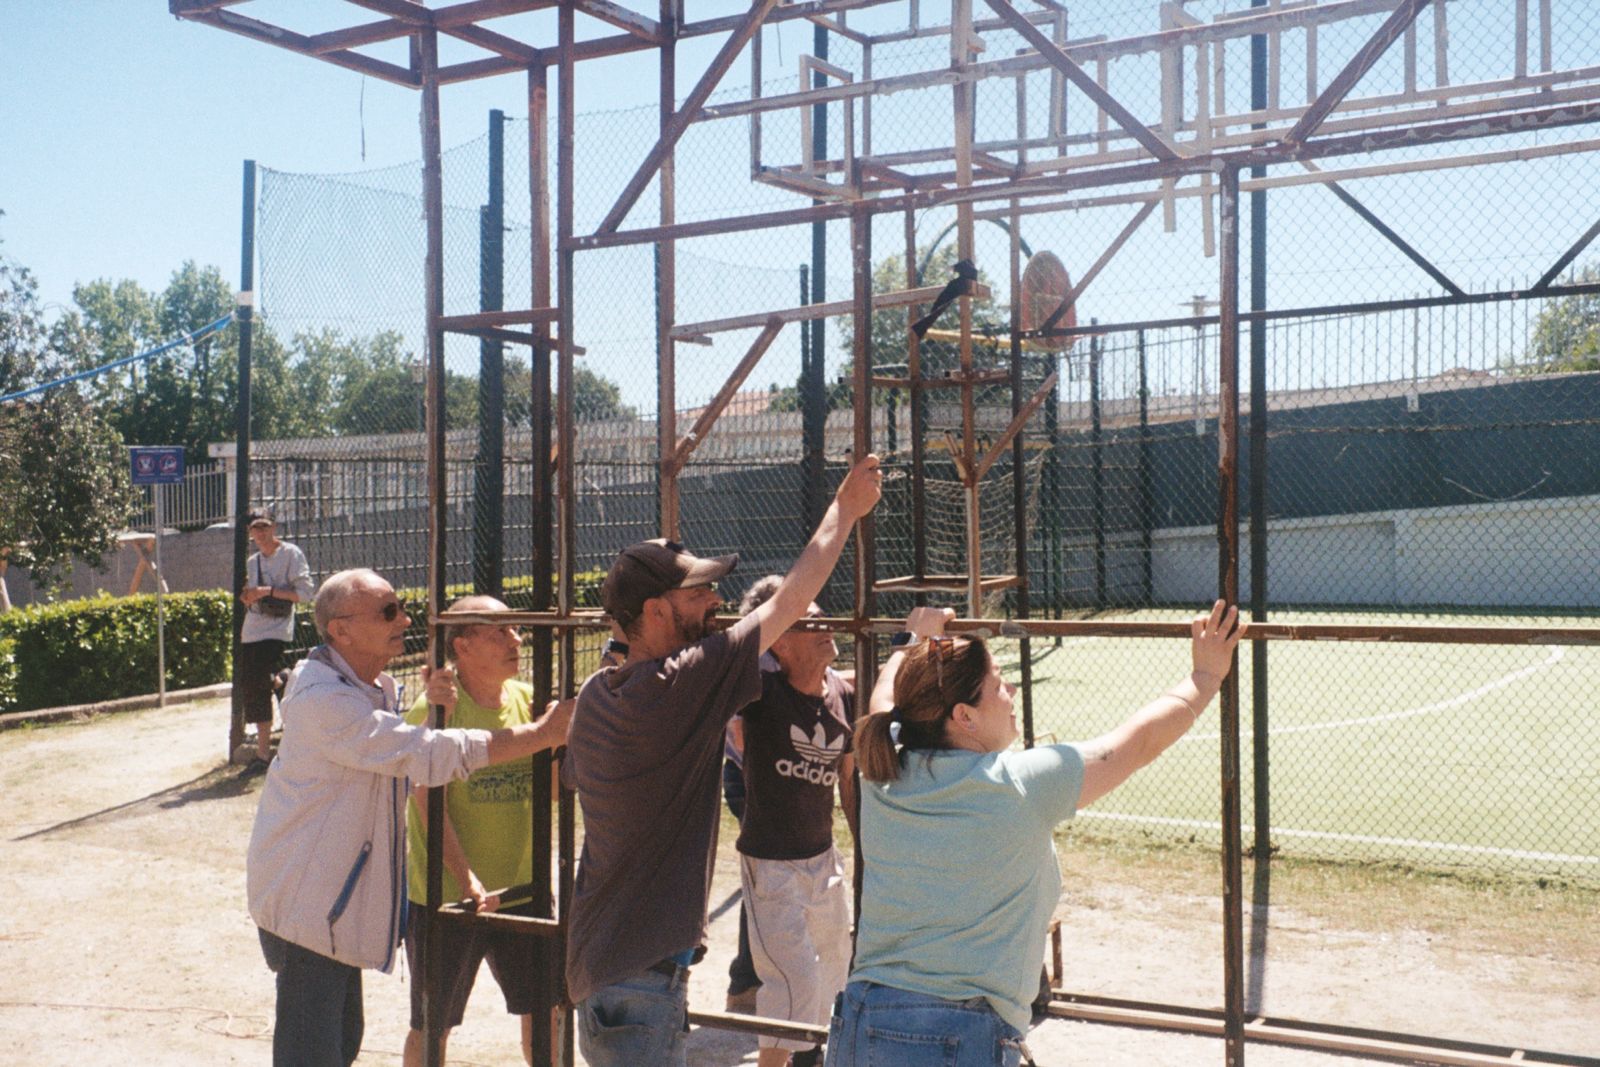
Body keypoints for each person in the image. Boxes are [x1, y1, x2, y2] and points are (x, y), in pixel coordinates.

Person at [563, 454, 883, 1067]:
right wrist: (844, 510)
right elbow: (789, 601)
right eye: (698, 591)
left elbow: (572, 776)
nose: (715, 600)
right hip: (641, 968)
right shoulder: (681, 682)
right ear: (655, 612)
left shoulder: (600, 693)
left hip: (606, 962)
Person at [827, 601, 1244, 1067]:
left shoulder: (883, 767)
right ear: (964, 716)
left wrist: (912, 643)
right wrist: (1206, 676)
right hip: (961, 1035)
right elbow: (1136, 743)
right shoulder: (1020, 783)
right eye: (997, 682)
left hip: (864, 1020)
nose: (1009, 690)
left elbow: (884, 703)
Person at [246, 569, 573, 1067]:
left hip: (334, 906)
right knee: (314, 1053)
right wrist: (541, 735)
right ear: (341, 629)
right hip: (308, 908)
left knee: (340, 1042)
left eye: (400, 607)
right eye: (387, 611)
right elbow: (422, 756)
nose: (404, 618)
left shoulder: (371, 687)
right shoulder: (325, 700)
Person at [401, 595, 570, 1067]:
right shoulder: (435, 710)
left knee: (545, 1009)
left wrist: (557, 742)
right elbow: (428, 803)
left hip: (523, 885)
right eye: (499, 631)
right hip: (448, 894)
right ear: (464, 645)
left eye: (515, 629)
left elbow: (551, 795)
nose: (515, 639)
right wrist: (468, 879)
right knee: (434, 1022)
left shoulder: (527, 701)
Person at [734, 576, 857, 1067]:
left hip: (821, 858)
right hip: (772, 865)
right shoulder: (760, 694)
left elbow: (848, 780)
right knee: (793, 983)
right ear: (779, 639)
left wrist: (864, 848)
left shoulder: (842, 693)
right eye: (807, 618)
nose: (825, 624)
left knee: (835, 973)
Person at [236, 507, 314, 766]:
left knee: (261, 680)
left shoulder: (291, 554)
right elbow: (252, 597)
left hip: (277, 627)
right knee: (254, 686)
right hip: (253, 628)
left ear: (274, 527)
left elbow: (304, 594)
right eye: (254, 528)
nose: (260, 532)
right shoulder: (253, 561)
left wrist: (268, 591)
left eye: (263, 526)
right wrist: (249, 596)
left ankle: (282, 681)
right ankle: (263, 751)